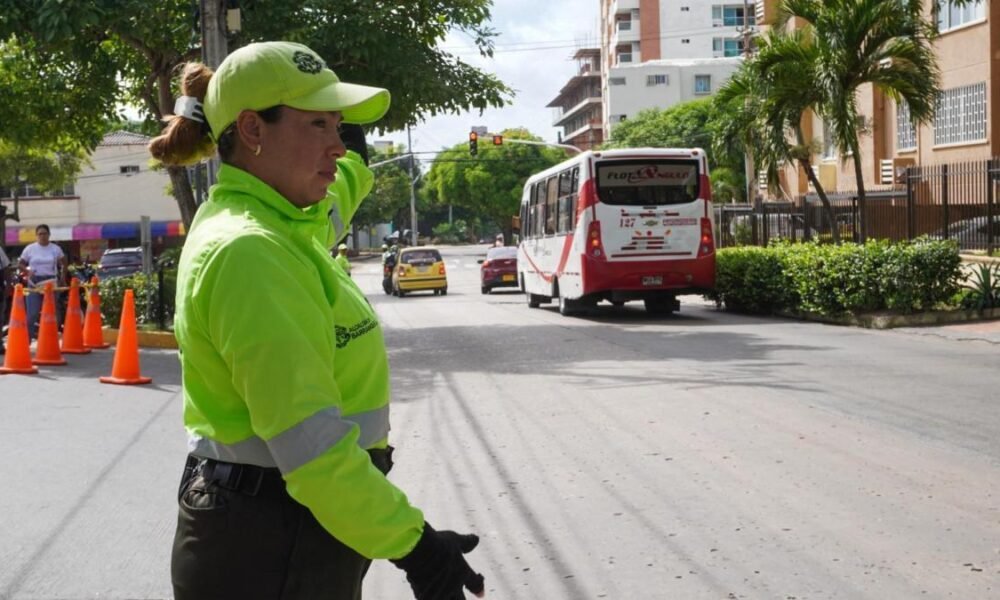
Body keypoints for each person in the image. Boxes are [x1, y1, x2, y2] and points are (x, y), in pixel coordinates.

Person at [148, 41, 485, 600]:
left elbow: (334, 202)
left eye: (341, 127)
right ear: (253, 129)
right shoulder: (251, 252)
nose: (338, 145)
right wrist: (417, 546)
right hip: (270, 541)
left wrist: (351, 162)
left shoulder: (280, 222)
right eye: (320, 126)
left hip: (291, 526)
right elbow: (315, 453)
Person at [18, 224, 66, 339]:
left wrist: (62, 277)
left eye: (45, 233)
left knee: (51, 312)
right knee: (32, 313)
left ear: (49, 235)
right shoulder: (30, 248)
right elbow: (20, 264)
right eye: (40, 234)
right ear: (36, 236)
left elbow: (64, 263)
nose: (42, 236)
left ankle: (50, 338)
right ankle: (27, 339)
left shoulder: (55, 248)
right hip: (34, 282)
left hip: (50, 281)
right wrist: (27, 271)